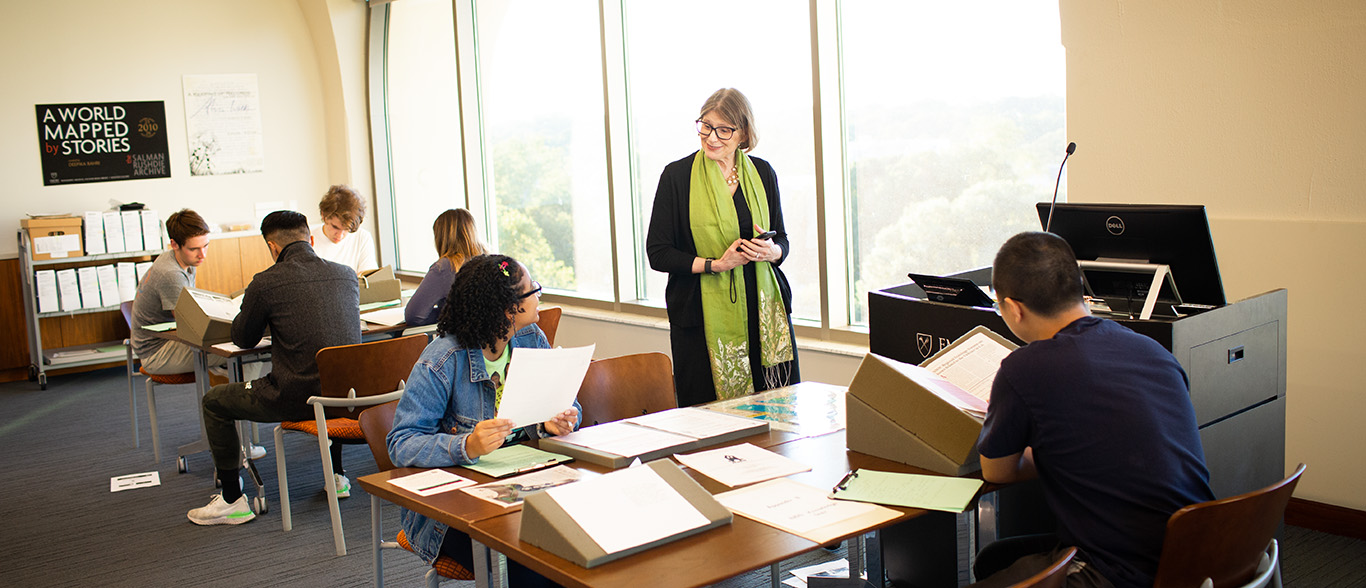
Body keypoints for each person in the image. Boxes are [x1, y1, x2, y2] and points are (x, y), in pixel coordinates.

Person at [968, 231, 1215, 588]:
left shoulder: (1024, 369)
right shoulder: (1152, 351)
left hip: (1118, 571)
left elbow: (998, 471)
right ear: (1078, 290)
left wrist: (1051, 450)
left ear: (1014, 308)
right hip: (1197, 554)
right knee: (995, 559)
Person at [388, 254, 579, 587]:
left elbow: (565, 402)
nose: (539, 295)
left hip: (524, 488)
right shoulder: (443, 359)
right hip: (451, 514)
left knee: (583, 545)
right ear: (509, 309)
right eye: (533, 289)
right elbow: (401, 443)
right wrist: (466, 445)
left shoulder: (530, 337)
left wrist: (557, 421)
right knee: (540, 569)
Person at [187, 210, 361, 526]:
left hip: (295, 399)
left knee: (214, 402)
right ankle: (336, 477)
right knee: (330, 369)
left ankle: (231, 501)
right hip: (348, 398)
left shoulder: (267, 282)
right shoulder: (346, 274)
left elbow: (243, 337)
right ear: (310, 239)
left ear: (272, 247)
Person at [646, 88, 799, 406]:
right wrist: (715, 264)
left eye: (723, 130)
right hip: (699, 318)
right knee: (707, 420)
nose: (712, 137)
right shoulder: (677, 177)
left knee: (775, 414)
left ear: (743, 133)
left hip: (763, 313)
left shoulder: (763, 173)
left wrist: (773, 252)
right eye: (705, 126)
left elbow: (781, 238)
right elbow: (658, 252)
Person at [131, 209, 228, 374]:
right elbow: (190, 325)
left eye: (205, 246)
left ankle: (233, 394)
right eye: (194, 249)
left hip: (170, 339)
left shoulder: (183, 260)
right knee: (240, 351)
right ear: (174, 244)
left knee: (237, 355)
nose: (202, 255)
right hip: (157, 353)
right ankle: (243, 396)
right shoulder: (171, 274)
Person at [404, 208, 487, 326]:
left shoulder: (445, 267)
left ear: (441, 238)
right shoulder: (492, 261)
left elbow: (413, 316)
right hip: (497, 341)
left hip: (461, 341)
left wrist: (447, 314)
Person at [311, 184, 379, 273]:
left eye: (347, 229)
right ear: (323, 215)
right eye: (335, 227)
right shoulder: (307, 237)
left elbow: (369, 279)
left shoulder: (362, 238)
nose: (340, 235)